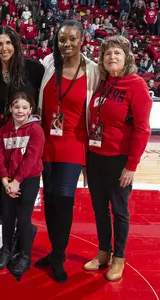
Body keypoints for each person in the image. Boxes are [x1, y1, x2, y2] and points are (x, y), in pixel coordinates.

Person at [35, 20, 101, 283]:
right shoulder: (48, 63)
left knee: (63, 197)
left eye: (72, 39)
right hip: (47, 142)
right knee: (49, 198)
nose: (67, 44)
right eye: (63, 39)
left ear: (82, 39)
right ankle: (54, 252)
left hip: (75, 144)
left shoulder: (94, 71)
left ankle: (59, 257)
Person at [84, 35, 152, 281]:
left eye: (117, 53)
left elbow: (143, 129)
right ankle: (104, 251)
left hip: (119, 159)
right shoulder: (103, 82)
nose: (112, 57)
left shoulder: (136, 85)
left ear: (127, 57)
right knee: (99, 207)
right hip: (96, 156)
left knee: (119, 210)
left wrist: (131, 166)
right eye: (107, 53)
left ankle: (119, 258)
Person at [0, 92, 44, 276]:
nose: (20, 111)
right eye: (16, 107)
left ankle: (25, 255)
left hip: (27, 180)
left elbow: (31, 159)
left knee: (23, 219)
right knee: (7, 217)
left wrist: (16, 182)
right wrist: (5, 180)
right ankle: (7, 250)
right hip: (7, 181)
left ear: (30, 110)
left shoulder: (36, 130)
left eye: (24, 107)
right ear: (10, 108)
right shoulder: (4, 129)